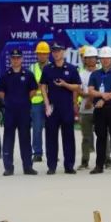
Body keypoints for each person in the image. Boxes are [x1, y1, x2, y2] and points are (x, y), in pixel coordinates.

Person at [0, 49, 38, 176]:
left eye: (18, 58)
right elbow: (1, 93)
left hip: (24, 111)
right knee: (8, 139)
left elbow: (33, 90)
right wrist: (9, 102)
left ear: (22, 59)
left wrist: (23, 101)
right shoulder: (5, 75)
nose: (15, 60)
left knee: (25, 138)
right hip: (10, 112)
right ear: (10, 59)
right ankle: (8, 167)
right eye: (13, 58)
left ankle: (28, 167)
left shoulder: (28, 74)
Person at [40, 42, 81, 175]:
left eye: (58, 51)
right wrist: (46, 102)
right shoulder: (47, 69)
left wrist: (65, 84)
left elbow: (77, 87)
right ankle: (51, 166)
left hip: (66, 107)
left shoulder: (71, 68)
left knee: (68, 137)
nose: (56, 53)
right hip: (52, 108)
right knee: (51, 137)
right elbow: (42, 86)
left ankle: (69, 165)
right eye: (54, 51)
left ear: (63, 52)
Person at [88, 46, 111, 174]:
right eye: (103, 58)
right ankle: (99, 165)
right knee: (100, 137)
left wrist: (105, 98)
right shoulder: (95, 74)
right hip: (99, 111)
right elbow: (90, 90)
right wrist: (101, 95)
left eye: (108, 58)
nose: (105, 61)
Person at [78, 46, 101, 170]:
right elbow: (79, 90)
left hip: (100, 108)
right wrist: (90, 95)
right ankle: (85, 161)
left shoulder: (101, 73)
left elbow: (103, 90)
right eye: (88, 58)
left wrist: (90, 98)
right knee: (86, 137)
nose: (91, 60)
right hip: (85, 109)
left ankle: (106, 160)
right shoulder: (81, 74)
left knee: (103, 135)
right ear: (85, 59)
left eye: (93, 57)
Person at [29, 41, 50, 162]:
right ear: (37, 55)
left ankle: (52, 152)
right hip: (36, 102)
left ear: (48, 54)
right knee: (37, 128)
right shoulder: (32, 68)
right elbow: (28, 85)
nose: (42, 56)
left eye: (44, 53)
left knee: (51, 128)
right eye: (39, 53)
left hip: (50, 102)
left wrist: (40, 84)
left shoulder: (52, 67)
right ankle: (37, 153)